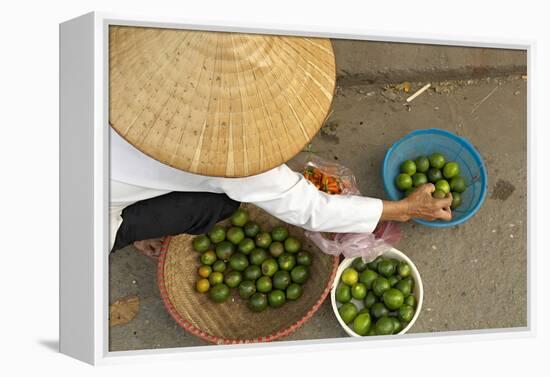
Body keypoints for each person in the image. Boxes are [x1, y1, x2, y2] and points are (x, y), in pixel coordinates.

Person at [108, 26, 452, 259]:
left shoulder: (107, 51)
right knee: (220, 205)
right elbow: (311, 209)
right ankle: (131, 227)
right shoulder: (228, 155)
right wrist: (406, 209)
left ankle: (136, 213)